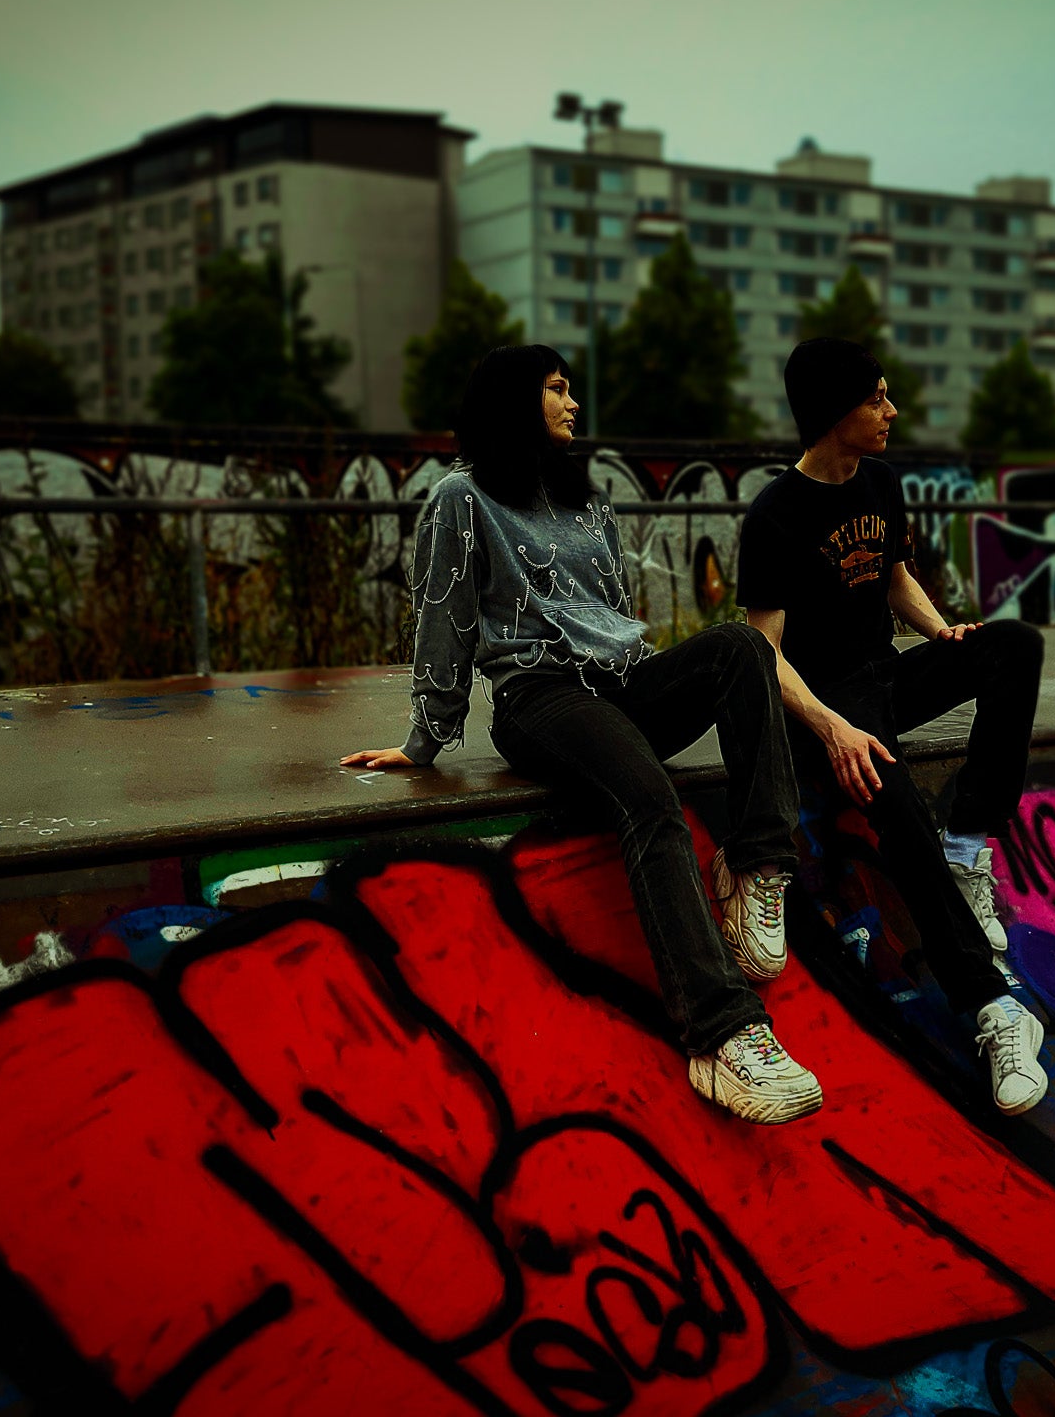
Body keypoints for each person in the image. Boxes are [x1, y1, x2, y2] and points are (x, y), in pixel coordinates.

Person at [340, 344, 822, 1124]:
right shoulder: (461, 499)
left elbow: (612, 612)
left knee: (741, 647)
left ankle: (757, 868)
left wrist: (650, 682)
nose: (573, 403)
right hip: (541, 698)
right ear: (514, 402)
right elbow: (444, 619)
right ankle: (722, 1034)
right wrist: (425, 738)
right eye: (558, 389)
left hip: (620, 684)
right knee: (651, 801)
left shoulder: (585, 498)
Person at [734, 336, 1051, 1115]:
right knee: (897, 803)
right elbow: (763, 652)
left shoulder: (880, 481)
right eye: (876, 398)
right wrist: (832, 730)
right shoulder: (774, 516)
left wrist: (943, 632)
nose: (892, 411)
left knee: (1013, 645)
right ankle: (993, 1009)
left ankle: (967, 844)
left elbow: (895, 578)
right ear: (833, 410)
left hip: (887, 675)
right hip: (828, 704)